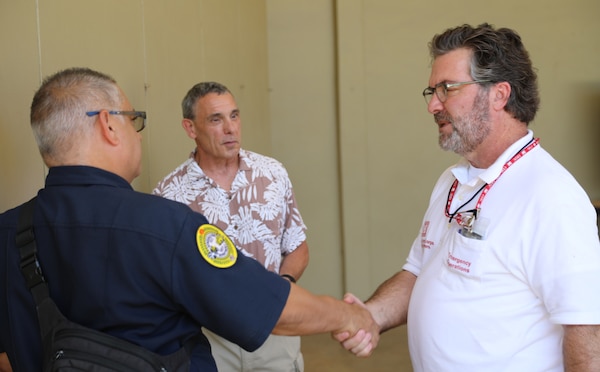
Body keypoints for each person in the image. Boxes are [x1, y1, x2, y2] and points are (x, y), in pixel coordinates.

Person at [0, 67, 378, 372]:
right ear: (108, 125)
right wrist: (349, 316)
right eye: (135, 120)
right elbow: (268, 307)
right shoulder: (163, 223)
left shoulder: (8, 233)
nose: (139, 136)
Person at [336, 23, 600, 371]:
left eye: (447, 89)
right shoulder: (453, 180)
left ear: (499, 95)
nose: (433, 105)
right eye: (432, 91)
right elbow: (418, 271)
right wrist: (370, 314)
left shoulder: (551, 196)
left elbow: (586, 329)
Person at [153, 81, 309, 371]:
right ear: (190, 128)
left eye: (234, 116)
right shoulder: (169, 194)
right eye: (216, 119)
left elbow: (297, 245)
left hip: (274, 328)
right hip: (207, 337)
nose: (230, 128)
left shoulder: (272, 173)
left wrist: (282, 287)